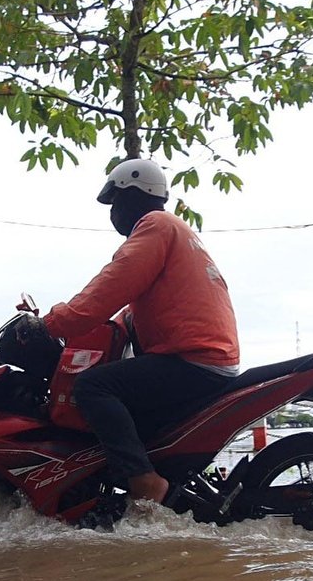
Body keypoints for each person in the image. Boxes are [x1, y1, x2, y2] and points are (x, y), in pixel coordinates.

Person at [29, 158, 240, 506]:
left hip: (194, 359)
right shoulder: (174, 230)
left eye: (115, 203)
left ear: (132, 196)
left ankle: (144, 482)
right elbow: (133, 309)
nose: (113, 212)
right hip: (204, 355)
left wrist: (49, 324)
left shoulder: (154, 226)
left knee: (94, 386)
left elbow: (109, 288)